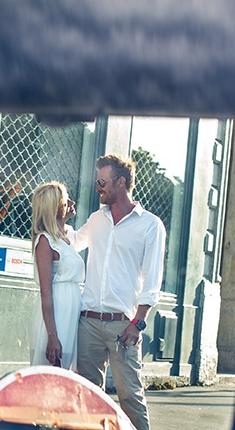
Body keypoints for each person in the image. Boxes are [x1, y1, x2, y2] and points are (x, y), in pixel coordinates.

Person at [69, 154, 167, 430]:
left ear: (121, 183)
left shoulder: (150, 225)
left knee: (130, 397)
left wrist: (138, 323)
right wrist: (56, 217)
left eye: (102, 182)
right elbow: (74, 242)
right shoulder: (96, 219)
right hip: (88, 321)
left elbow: (152, 281)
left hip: (123, 325)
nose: (97, 188)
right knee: (87, 396)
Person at [29, 182, 83, 370]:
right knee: (50, 377)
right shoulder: (45, 241)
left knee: (65, 376)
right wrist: (52, 336)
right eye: (67, 198)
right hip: (56, 317)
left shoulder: (66, 239)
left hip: (70, 315)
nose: (72, 201)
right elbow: (46, 292)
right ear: (56, 205)